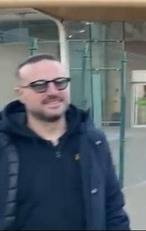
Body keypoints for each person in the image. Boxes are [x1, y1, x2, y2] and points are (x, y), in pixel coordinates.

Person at [0, 53, 130, 230]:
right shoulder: (5, 145)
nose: (53, 92)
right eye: (40, 86)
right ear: (20, 94)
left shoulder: (92, 141)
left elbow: (113, 208)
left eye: (60, 82)